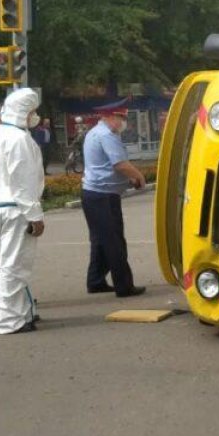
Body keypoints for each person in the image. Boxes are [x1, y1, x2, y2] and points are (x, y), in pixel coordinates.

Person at [0, 88, 46, 335]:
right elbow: (23, 181)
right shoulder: (20, 140)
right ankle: (9, 321)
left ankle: (21, 315)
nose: (35, 116)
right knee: (13, 269)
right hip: (15, 212)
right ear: (24, 112)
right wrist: (35, 216)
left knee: (5, 267)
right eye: (33, 111)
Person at [81, 108, 147, 297]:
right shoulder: (107, 135)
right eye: (121, 117)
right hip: (102, 195)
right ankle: (124, 286)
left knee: (100, 240)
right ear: (109, 116)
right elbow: (120, 164)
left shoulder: (95, 132)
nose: (123, 122)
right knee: (114, 242)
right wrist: (138, 176)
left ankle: (95, 281)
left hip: (96, 194)